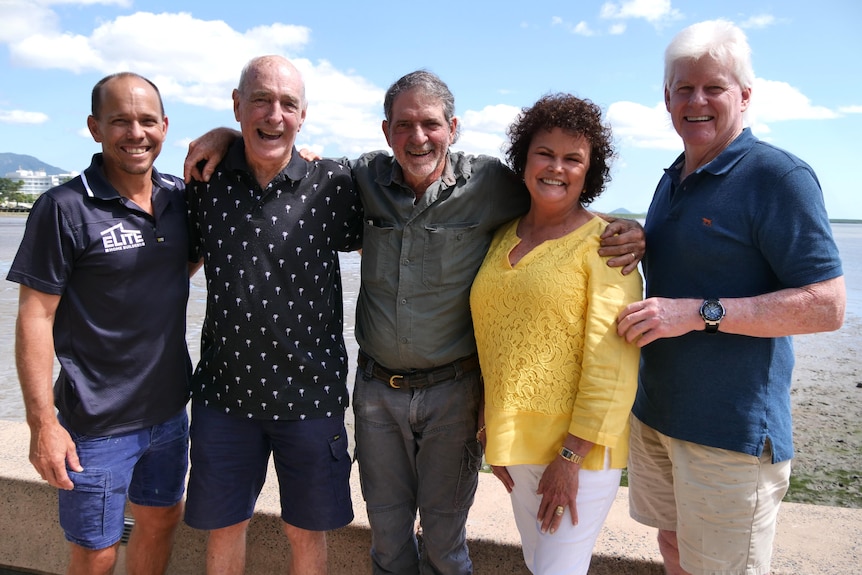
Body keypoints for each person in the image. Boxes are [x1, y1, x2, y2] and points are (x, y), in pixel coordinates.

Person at [185, 70, 645, 575]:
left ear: (453, 127)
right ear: (386, 132)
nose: (418, 137)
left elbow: (557, 199)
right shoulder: (358, 180)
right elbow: (281, 155)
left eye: (430, 124)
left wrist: (627, 230)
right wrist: (226, 136)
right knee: (386, 537)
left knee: (446, 544)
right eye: (403, 125)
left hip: (454, 393)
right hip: (377, 392)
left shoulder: (491, 184)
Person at [616, 20, 845, 575]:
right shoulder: (672, 176)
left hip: (731, 433)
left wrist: (698, 313)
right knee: (672, 550)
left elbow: (827, 304)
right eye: (683, 89)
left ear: (743, 95)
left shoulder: (778, 176)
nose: (697, 101)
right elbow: (698, 255)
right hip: (656, 417)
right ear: (666, 98)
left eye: (713, 87)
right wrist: (640, 240)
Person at [182, 55, 362, 575]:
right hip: (223, 398)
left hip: (311, 400)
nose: (274, 114)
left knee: (307, 536)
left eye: (288, 104)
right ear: (237, 106)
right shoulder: (205, 181)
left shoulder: (333, 185)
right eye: (261, 100)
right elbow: (175, 264)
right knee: (224, 530)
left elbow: (410, 222)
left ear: (304, 116)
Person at [7, 72, 192, 575]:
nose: (136, 133)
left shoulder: (179, 197)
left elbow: (180, 262)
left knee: (161, 521)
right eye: (120, 121)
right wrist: (43, 424)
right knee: (96, 550)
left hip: (170, 412)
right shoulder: (63, 208)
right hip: (95, 424)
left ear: (165, 126)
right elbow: (34, 318)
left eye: (147, 120)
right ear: (95, 128)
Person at [469, 93, 641, 574]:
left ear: (590, 172)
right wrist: (490, 428)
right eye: (545, 153)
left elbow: (615, 365)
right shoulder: (502, 236)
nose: (556, 168)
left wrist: (571, 458)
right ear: (524, 161)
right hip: (514, 443)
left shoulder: (606, 247)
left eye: (573, 159)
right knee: (538, 563)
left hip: (576, 454)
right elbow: (495, 342)